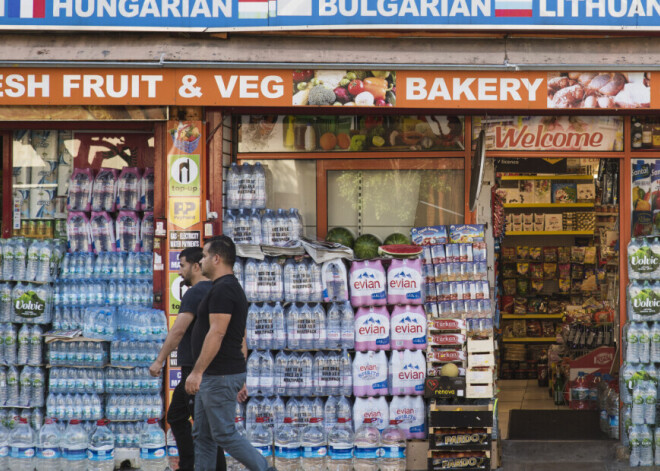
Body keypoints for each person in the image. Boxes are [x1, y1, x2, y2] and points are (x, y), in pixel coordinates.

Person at [186, 235, 274, 471]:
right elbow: (241, 335)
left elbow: (217, 333)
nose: (201, 261)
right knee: (203, 435)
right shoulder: (223, 288)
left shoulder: (224, 290)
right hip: (218, 375)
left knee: (224, 434)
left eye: (204, 256)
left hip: (218, 376)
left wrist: (197, 372)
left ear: (216, 258)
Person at [149, 246, 225, 471]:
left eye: (182, 266)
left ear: (196, 266)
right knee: (178, 415)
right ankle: (189, 465)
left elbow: (178, 330)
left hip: (196, 370)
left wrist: (159, 360)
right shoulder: (216, 290)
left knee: (205, 428)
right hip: (205, 369)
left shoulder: (195, 292)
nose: (180, 272)